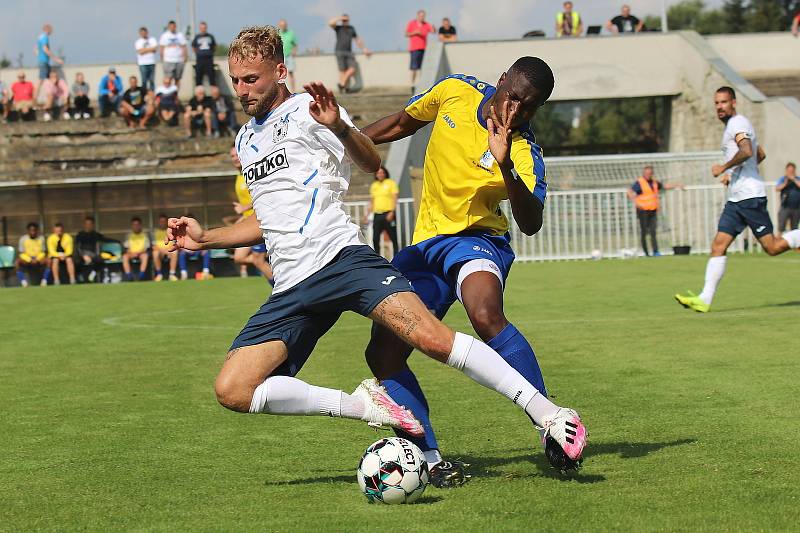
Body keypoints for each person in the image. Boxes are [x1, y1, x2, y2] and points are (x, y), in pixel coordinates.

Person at [167, 26, 586, 472]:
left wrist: (341, 129)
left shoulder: (310, 112)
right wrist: (206, 237)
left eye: (250, 79)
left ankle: (548, 415)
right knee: (233, 388)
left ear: (280, 71)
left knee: (444, 331)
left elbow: (370, 161)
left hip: (349, 258)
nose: (241, 89)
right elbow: (268, 218)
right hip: (297, 283)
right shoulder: (246, 140)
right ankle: (370, 410)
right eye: (236, 80)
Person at [361, 59, 589, 483]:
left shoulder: (523, 149)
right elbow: (401, 123)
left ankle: (550, 424)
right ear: (502, 80)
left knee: (484, 312)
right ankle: (428, 459)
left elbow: (532, 222)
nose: (515, 111)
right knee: (382, 353)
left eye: (528, 107)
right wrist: (344, 140)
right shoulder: (455, 91)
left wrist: (504, 164)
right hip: (423, 247)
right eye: (514, 97)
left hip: (477, 240)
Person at [675, 87, 800, 313]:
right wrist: (732, 176)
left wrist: (723, 167)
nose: (719, 107)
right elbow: (759, 153)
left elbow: (746, 151)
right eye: (716, 103)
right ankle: (704, 299)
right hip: (737, 199)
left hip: (750, 198)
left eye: (724, 102)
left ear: (734, 102)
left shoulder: (737, 124)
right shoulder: (737, 125)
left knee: (771, 247)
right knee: (718, 245)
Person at [226, 145, 274, 282]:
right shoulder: (239, 176)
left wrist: (244, 208)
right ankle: (276, 271)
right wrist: (241, 218)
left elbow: (263, 196)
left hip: (260, 222)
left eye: (237, 155)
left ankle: (281, 290)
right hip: (249, 221)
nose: (235, 158)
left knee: (258, 261)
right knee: (239, 258)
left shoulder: (251, 173)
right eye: (232, 156)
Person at [626, 165, 682, 256]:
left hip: (653, 210)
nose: (648, 175)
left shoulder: (654, 182)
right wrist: (636, 202)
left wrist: (677, 185)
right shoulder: (640, 182)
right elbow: (629, 192)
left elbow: (664, 186)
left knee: (653, 231)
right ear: (644, 173)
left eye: (650, 173)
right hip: (643, 210)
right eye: (647, 173)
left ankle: (655, 251)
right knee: (644, 231)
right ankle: (646, 252)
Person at [328, 14, 371, 93]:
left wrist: (364, 49)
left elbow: (357, 40)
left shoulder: (351, 28)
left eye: (346, 20)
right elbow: (330, 23)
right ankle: (344, 88)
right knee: (342, 71)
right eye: (343, 20)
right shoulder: (338, 28)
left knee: (352, 69)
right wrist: (340, 18)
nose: (345, 22)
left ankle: (342, 84)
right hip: (339, 51)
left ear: (349, 20)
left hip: (349, 52)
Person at [364, 166, 399, 258]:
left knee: (393, 237)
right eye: (378, 173)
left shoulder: (391, 183)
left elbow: (395, 198)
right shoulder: (374, 185)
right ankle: (378, 258)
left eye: (382, 172)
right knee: (375, 238)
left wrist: (392, 211)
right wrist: (367, 215)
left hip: (388, 214)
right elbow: (372, 201)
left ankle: (397, 257)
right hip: (377, 215)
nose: (380, 174)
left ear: (385, 173)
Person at [405, 10, 435, 90]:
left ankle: (421, 84)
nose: (422, 17)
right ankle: (412, 84)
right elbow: (406, 34)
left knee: (422, 68)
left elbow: (433, 31)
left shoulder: (426, 24)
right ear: (417, 16)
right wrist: (415, 32)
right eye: (421, 16)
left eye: (423, 16)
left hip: (424, 48)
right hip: (414, 49)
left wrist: (434, 28)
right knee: (414, 67)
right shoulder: (412, 23)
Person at [75, 216, 109, 283]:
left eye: (90, 224)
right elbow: (78, 247)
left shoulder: (96, 235)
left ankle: (93, 274)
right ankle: (80, 278)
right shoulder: (80, 235)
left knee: (101, 260)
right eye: (87, 224)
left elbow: (106, 240)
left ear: (93, 225)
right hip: (82, 256)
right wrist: (84, 255)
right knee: (76, 262)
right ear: (84, 225)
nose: (88, 226)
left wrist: (119, 242)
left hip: (94, 255)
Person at [35, 24, 63, 101]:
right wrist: (56, 59)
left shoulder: (40, 37)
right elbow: (45, 49)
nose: (52, 31)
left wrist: (39, 56)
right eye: (51, 29)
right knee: (41, 81)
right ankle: (34, 100)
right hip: (44, 61)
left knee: (47, 81)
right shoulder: (45, 37)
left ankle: (50, 99)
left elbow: (35, 50)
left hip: (42, 61)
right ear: (47, 29)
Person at [16, 222, 48, 287]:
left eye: (34, 230)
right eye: (31, 230)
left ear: (37, 230)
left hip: (38, 258)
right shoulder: (23, 239)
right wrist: (29, 259)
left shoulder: (41, 238)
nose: (33, 232)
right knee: (17, 262)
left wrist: (37, 259)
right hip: (27, 259)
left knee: (49, 261)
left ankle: (44, 281)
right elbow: (21, 253)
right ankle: (24, 282)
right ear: (28, 231)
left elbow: (43, 252)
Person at [160, 20, 188, 88]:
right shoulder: (165, 35)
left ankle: (175, 95)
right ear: (169, 27)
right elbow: (161, 47)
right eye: (171, 27)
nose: (172, 28)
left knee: (177, 79)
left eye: (174, 27)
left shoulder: (180, 35)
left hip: (179, 60)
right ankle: (168, 93)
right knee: (168, 79)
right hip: (168, 60)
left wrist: (185, 57)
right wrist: (162, 58)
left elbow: (184, 46)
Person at [122, 216, 151, 281]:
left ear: (140, 225)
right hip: (131, 254)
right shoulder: (128, 236)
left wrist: (139, 253)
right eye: (134, 225)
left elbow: (147, 248)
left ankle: (141, 275)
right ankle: (129, 276)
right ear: (131, 226)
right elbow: (126, 248)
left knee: (145, 256)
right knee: (124, 256)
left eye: (137, 225)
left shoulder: (145, 235)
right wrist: (131, 253)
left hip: (141, 253)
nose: (136, 226)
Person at [152, 214, 178, 281]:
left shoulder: (171, 231)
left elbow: (175, 243)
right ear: (158, 222)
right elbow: (154, 246)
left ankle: (172, 274)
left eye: (164, 221)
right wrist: (162, 251)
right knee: (155, 253)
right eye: (161, 221)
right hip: (160, 252)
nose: (162, 223)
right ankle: (159, 274)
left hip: (170, 251)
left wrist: (168, 250)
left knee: (175, 252)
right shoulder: (155, 232)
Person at [775, 162, 800, 234]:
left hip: (796, 208)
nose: (790, 173)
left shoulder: (797, 179)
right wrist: (786, 183)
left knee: (794, 229)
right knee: (781, 228)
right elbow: (777, 188)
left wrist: (794, 179)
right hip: (785, 207)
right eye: (789, 171)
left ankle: (794, 244)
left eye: (792, 171)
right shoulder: (783, 179)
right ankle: (778, 244)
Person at [192, 21, 217, 87]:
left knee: (212, 78)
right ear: (200, 28)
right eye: (202, 28)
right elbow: (193, 46)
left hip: (209, 60)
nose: (203, 29)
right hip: (200, 60)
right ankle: (199, 94)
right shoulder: (197, 37)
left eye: (204, 28)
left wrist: (210, 53)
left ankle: (214, 94)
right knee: (198, 78)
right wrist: (198, 53)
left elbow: (214, 46)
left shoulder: (210, 36)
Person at [135, 27, 158, 93]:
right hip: (142, 63)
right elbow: (140, 52)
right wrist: (150, 49)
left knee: (152, 81)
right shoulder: (138, 42)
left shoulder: (152, 39)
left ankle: (152, 95)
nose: (143, 34)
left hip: (151, 62)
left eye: (144, 32)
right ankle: (144, 94)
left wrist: (144, 50)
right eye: (142, 32)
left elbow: (155, 49)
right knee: (144, 81)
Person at [277, 19, 298, 92]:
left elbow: (295, 44)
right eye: (281, 25)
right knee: (280, 74)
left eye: (284, 25)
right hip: (280, 57)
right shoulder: (278, 34)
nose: (283, 27)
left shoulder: (291, 33)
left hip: (289, 56)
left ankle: (293, 90)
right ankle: (281, 91)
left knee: (291, 73)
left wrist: (294, 52)